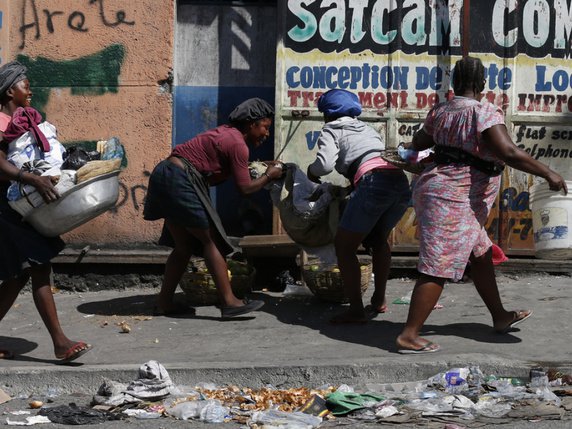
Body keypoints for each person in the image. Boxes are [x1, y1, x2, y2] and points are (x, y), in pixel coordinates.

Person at [396, 56, 568, 354]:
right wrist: (547, 171)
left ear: (455, 82)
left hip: (440, 190)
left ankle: (500, 316)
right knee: (439, 266)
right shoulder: (483, 112)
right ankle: (409, 334)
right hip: (452, 197)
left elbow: (419, 141)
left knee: (481, 254)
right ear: (482, 83)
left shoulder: (440, 110)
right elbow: (508, 152)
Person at [144, 98, 284, 318]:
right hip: (180, 179)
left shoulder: (226, 134)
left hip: (166, 173)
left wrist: (258, 168)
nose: (267, 134)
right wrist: (269, 175)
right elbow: (245, 189)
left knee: (184, 246)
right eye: (265, 127)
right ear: (251, 125)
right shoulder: (237, 144)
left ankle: (164, 303)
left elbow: (221, 172)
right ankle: (229, 303)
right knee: (210, 240)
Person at [0, 61, 91, 363]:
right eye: (25, 84)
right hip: (6, 208)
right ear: (10, 89)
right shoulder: (0, 121)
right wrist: (32, 179)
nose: (30, 89)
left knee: (19, 274)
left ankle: (60, 342)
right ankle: (60, 343)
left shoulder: (27, 122)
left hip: (21, 206)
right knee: (37, 266)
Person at [307, 89, 411, 324]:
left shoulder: (331, 129)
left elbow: (324, 165)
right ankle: (379, 299)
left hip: (373, 184)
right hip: (399, 183)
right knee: (378, 240)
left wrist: (311, 174)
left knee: (344, 247)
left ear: (326, 114)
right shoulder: (366, 128)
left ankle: (355, 310)